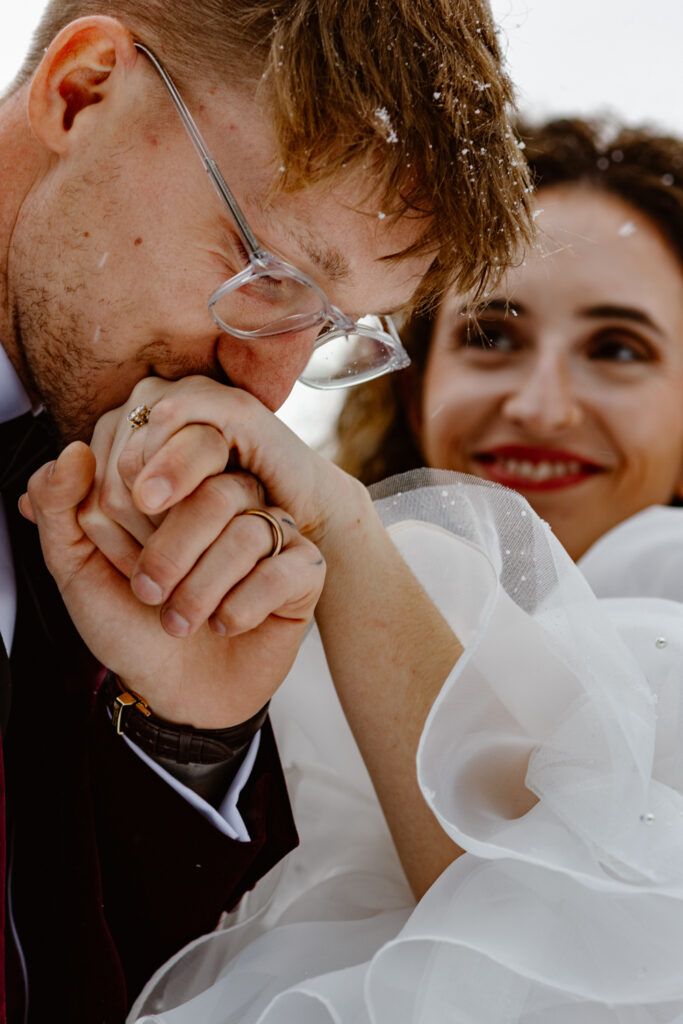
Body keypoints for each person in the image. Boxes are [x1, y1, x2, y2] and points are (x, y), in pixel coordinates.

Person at [0, 0, 533, 1020]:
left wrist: (189, 733)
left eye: (330, 331)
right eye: (267, 274)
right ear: (83, 90)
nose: (269, 389)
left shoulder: (156, 516)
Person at [122, 120, 683, 1022]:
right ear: (414, 383)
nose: (539, 405)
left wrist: (342, 527)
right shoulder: (263, 603)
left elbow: (560, 949)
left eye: (616, 349)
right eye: (491, 336)